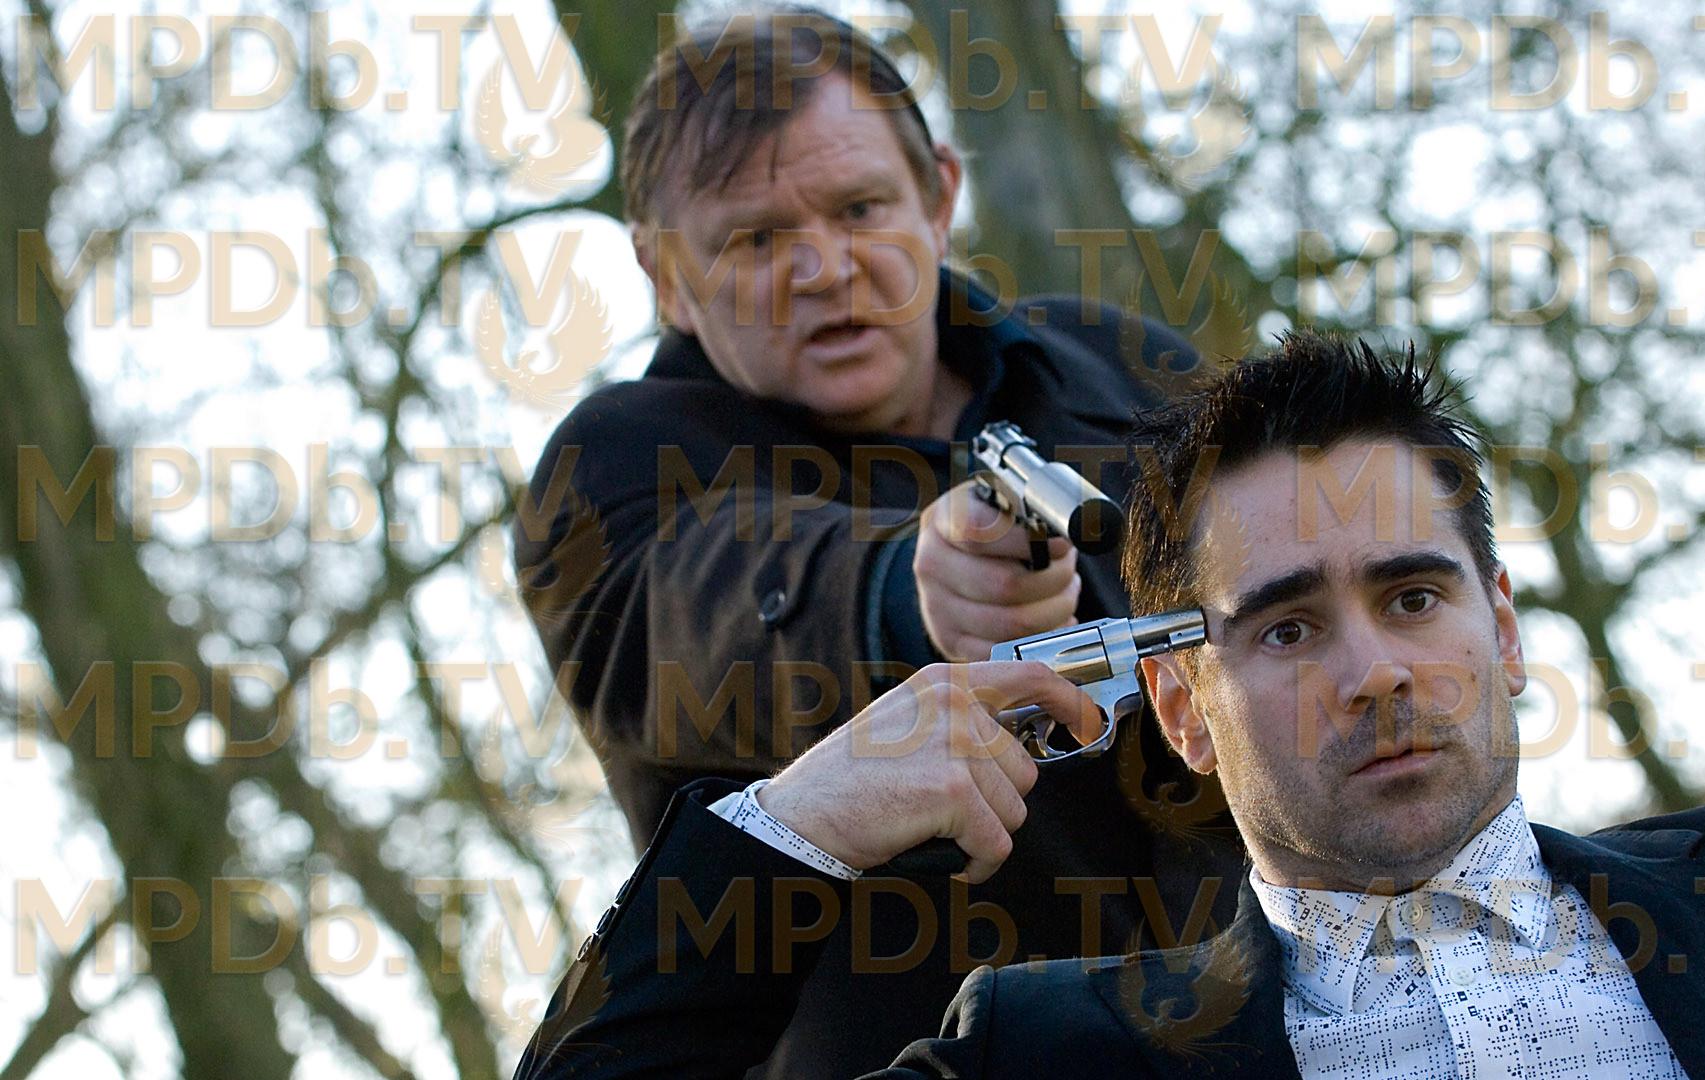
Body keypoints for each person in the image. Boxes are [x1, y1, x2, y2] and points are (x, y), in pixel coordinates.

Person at [514, 332, 1705, 1079]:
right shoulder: (1051, 1058)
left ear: (1502, 628)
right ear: (1183, 710)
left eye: (1414, 597)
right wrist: (799, 820)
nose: (1375, 671)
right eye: (1289, 626)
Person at [511, 9, 1241, 1075]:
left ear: (939, 196)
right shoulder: (615, 462)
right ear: (665, 274)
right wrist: (904, 592)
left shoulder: (1118, 361)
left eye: (859, 208)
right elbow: (707, 613)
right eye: (756, 239)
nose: (823, 267)